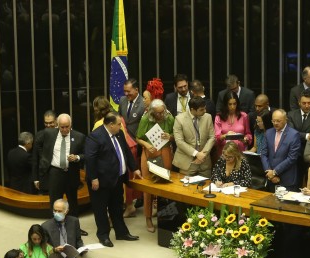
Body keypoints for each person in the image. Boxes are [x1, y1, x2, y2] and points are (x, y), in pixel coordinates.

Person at [84, 112, 141, 247]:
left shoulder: (119, 133)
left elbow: (126, 151)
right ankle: (103, 236)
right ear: (110, 125)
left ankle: (121, 233)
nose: (121, 126)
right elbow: (90, 159)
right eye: (118, 124)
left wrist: (135, 168)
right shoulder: (95, 137)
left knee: (117, 207)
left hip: (117, 178)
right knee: (101, 210)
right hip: (101, 181)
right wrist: (94, 178)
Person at [136, 100, 174, 232]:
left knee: (164, 185)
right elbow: (138, 138)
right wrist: (146, 145)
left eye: (162, 112)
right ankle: (148, 217)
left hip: (165, 152)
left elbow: (176, 136)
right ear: (152, 112)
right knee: (148, 187)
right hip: (149, 152)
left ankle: (164, 216)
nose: (160, 115)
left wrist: (170, 137)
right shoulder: (146, 118)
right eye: (157, 113)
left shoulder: (169, 117)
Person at [171, 96, 215, 179]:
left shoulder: (208, 117)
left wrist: (203, 155)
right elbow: (179, 142)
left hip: (204, 163)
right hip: (188, 163)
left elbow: (212, 137)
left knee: (205, 189)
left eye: (205, 108)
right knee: (186, 189)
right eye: (201, 110)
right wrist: (196, 154)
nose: (204, 111)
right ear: (192, 109)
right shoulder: (179, 119)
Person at [259, 110, 302, 191]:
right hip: (270, 178)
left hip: (287, 179)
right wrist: (270, 173)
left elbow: (292, 158)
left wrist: (275, 172)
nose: (275, 123)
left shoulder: (294, 135)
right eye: (273, 121)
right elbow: (264, 154)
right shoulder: (268, 133)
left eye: (278, 121)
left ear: (285, 120)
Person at [215, 92, 252, 157]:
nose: (232, 107)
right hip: (224, 152)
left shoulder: (243, 116)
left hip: (239, 151)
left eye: (234, 104)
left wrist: (245, 139)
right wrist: (225, 135)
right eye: (230, 104)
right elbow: (216, 138)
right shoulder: (219, 117)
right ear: (225, 104)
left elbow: (248, 134)